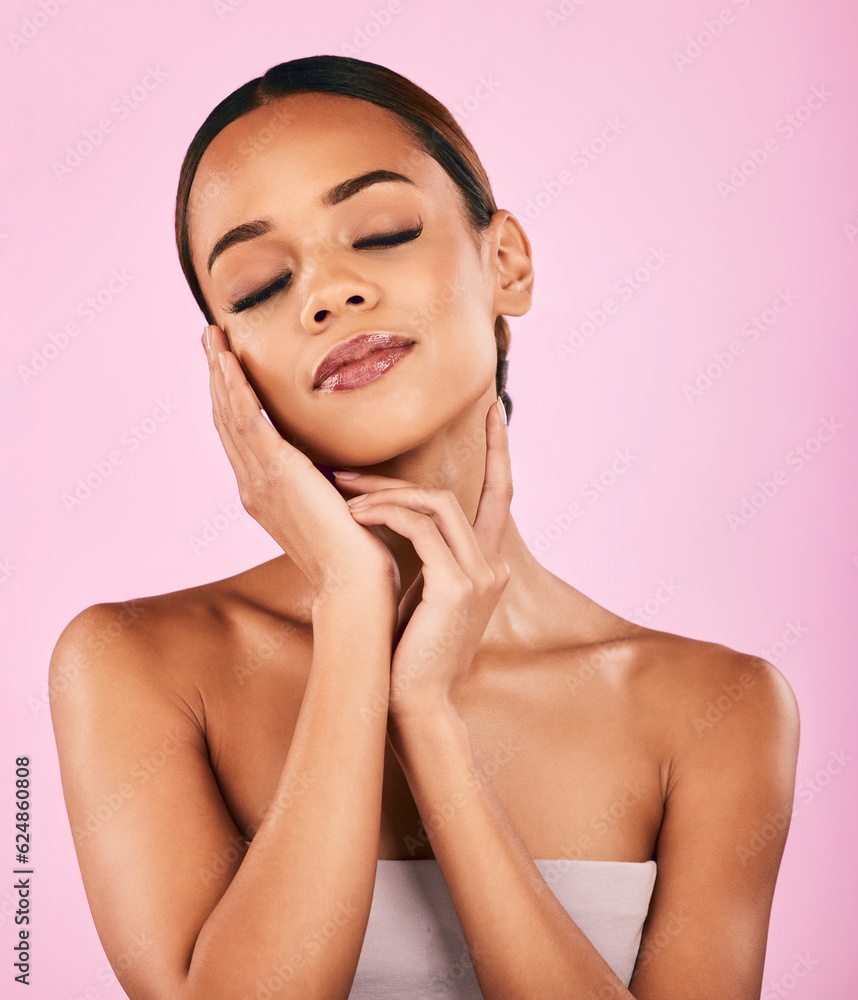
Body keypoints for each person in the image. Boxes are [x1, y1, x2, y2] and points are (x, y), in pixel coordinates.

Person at [49, 54, 800, 1000]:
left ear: (507, 263)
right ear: (227, 365)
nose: (329, 291)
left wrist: (430, 723)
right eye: (257, 287)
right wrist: (353, 610)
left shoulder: (719, 709)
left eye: (383, 231)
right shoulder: (134, 663)